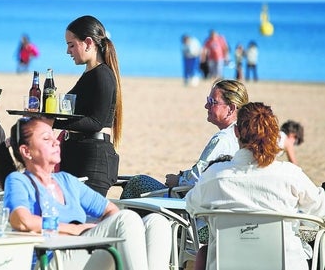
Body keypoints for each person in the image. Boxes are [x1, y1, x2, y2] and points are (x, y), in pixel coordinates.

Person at [0, 117, 172, 270]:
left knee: (157, 222)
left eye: (53, 137)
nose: (56, 142)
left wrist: (95, 230)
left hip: (81, 250)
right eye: (46, 139)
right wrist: (75, 229)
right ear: (26, 151)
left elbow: (110, 211)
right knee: (126, 219)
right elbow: (21, 220)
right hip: (51, 259)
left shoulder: (66, 181)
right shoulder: (19, 180)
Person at [186, 102, 325, 270]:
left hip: (226, 264)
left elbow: (191, 206)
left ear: (236, 132)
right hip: (286, 264)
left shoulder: (214, 176)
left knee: (204, 252)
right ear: (275, 135)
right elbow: (320, 208)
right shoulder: (291, 175)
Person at [121, 79, 249, 197]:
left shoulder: (223, 140)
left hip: (194, 209)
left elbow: (197, 178)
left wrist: (178, 180)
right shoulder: (246, 137)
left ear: (231, 108)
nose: (206, 106)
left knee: (137, 182)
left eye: (212, 102)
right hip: (220, 204)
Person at [52, 15, 122, 196]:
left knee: (85, 222)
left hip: (94, 160)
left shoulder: (102, 75)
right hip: (78, 155)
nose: (68, 51)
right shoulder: (90, 74)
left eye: (71, 45)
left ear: (88, 43)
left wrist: (53, 122)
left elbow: (96, 122)